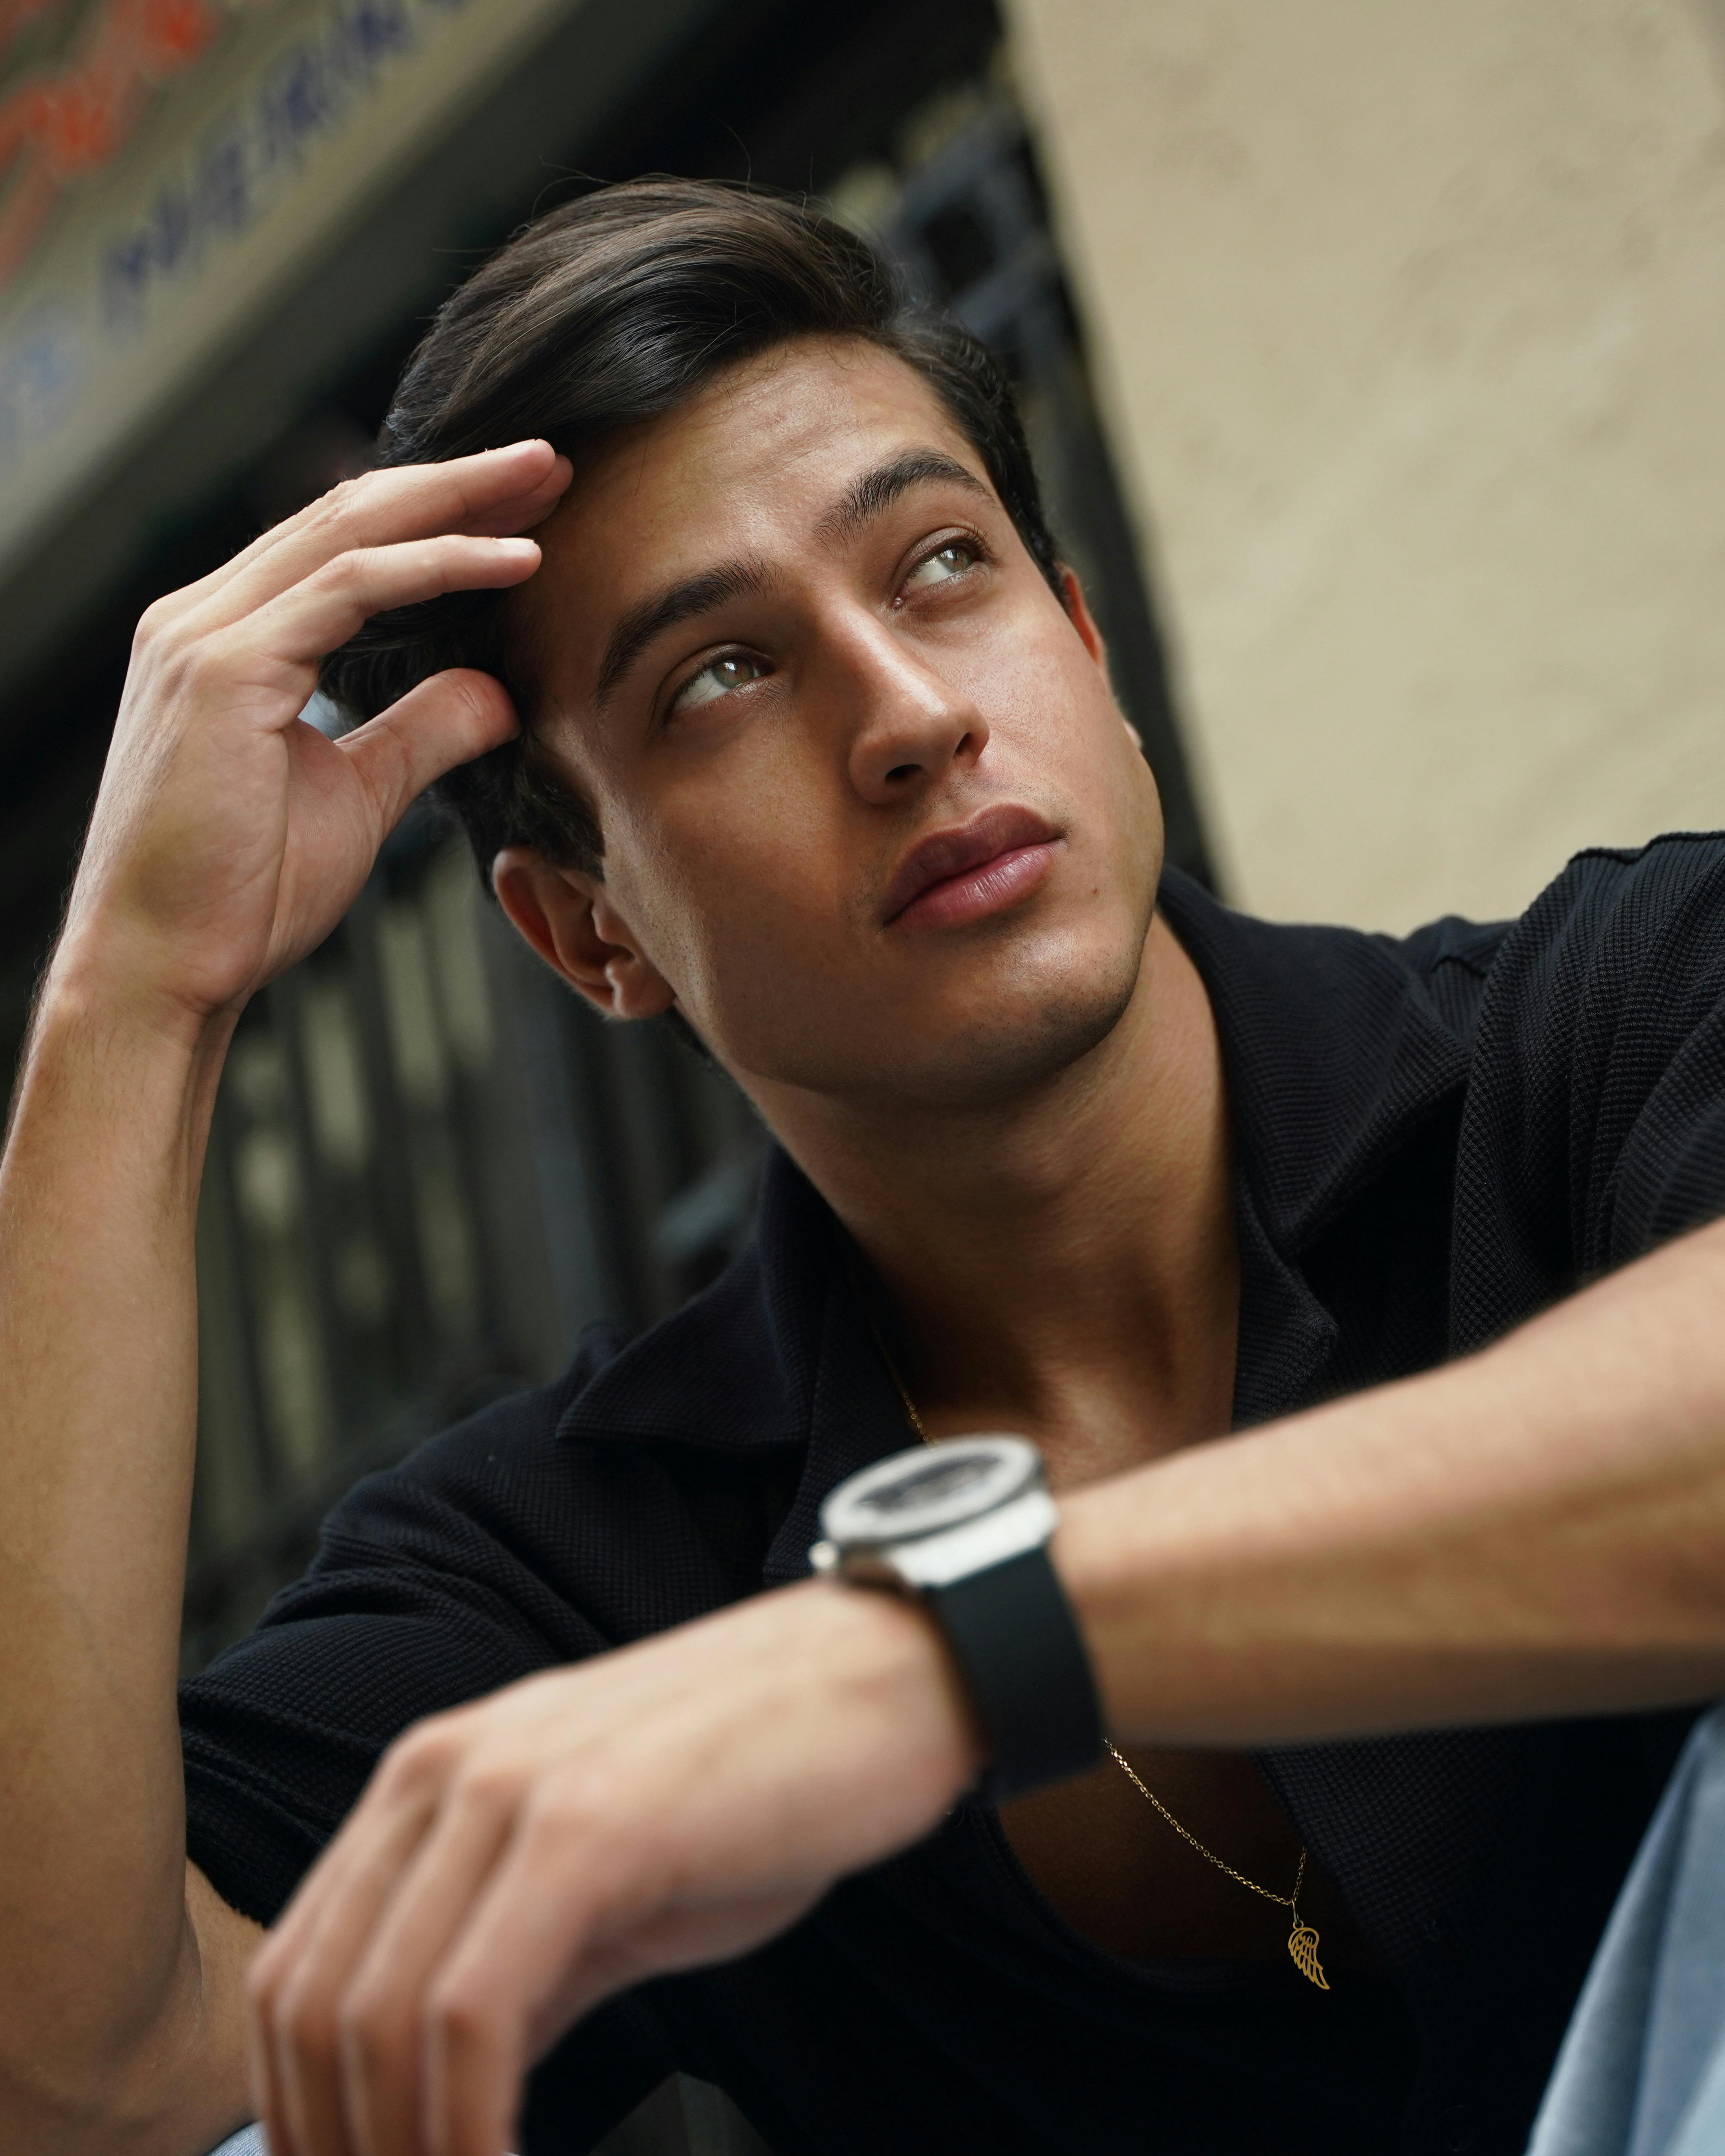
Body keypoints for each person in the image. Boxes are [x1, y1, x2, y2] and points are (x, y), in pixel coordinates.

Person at [2, 178, 1724, 2156]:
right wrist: (134, 1005)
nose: (907, 716)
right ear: (589, 936)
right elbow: (79, 2080)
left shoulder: (1613, 1019)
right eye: (717, 675)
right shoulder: (591, 1565)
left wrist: (926, 1662)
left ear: (1083, 647)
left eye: (935, 570)